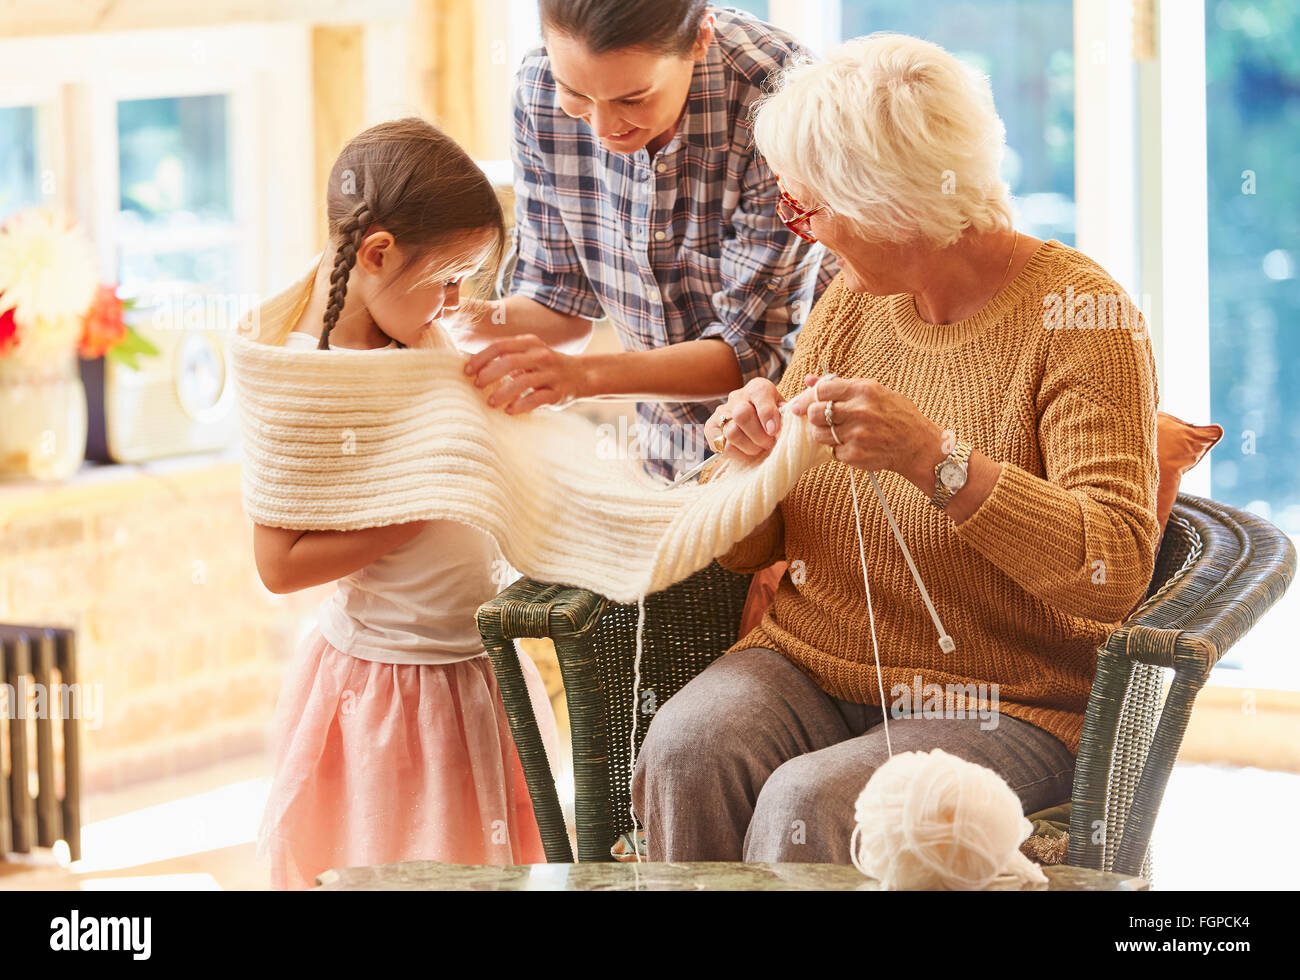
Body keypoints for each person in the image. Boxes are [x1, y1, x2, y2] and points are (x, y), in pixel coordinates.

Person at [632, 34, 1161, 863]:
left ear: (894, 204)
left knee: (812, 804)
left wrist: (934, 460)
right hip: (816, 661)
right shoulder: (853, 300)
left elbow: (1114, 567)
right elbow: (762, 545)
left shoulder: (1079, 318)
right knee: (686, 746)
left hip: (1010, 703)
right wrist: (750, 466)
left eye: (808, 208)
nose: (798, 231)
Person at [251, 119, 560, 889]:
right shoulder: (304, 378)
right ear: (378, 253)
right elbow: (278, 566)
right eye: (448, 279)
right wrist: (415, 509)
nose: (456, 302)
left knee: (496, 870)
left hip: (484, 675)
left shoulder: (424, 344)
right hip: (387, 694)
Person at [452, 0, 839, 479]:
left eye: (633, 99)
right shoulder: (537, 92)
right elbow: (559, 306)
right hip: (667, 442)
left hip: (795, 433)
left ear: (700, 37)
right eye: (574, 93)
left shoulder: (777, 94)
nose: (603, 127)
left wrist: (582, 379)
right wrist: (441, 313)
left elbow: (751, 353)